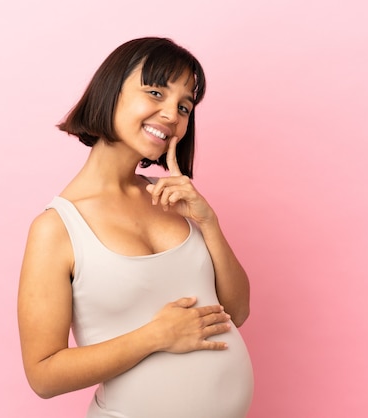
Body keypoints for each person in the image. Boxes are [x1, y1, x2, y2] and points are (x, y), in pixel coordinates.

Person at [17, 37, 254, 418]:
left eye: (183, 106)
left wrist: (208, 222)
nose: (171, 115)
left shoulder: (173, 200)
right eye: (155, 92)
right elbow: (44, 376)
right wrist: (156, 336)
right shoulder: (57, 228)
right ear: (110, 91)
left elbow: (237, 311)